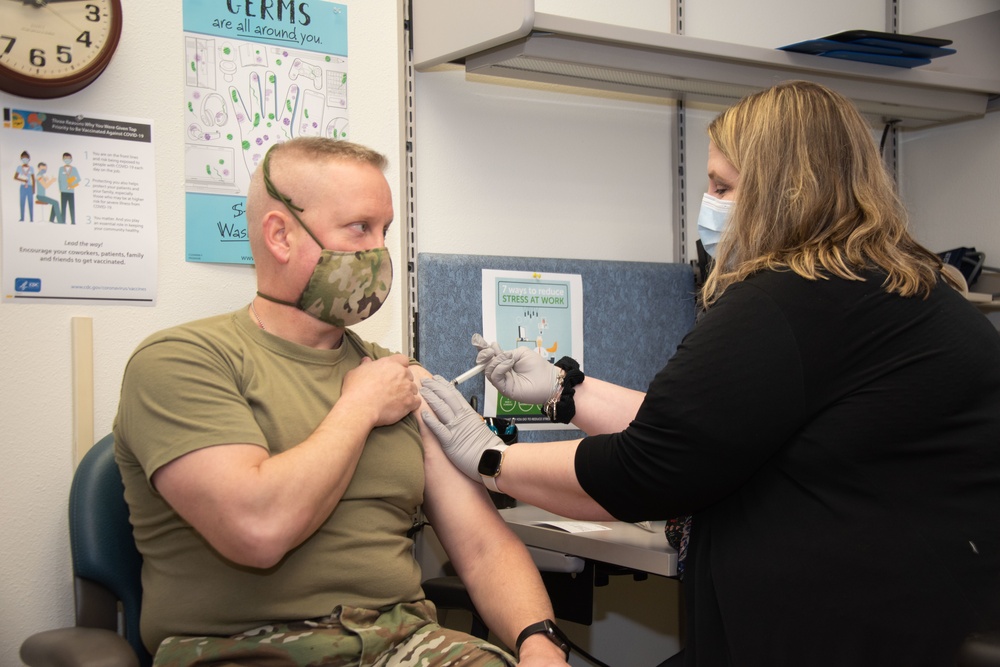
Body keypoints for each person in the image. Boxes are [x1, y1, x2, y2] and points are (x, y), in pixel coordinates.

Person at [420, 80, 1000, 666]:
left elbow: (646, 470)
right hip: (927, 610)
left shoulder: (790, 300)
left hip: (851, 630)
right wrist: (569, 393)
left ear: (784, 190)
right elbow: (707, 427)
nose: (710, 203)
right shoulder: (895, 286)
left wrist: (490, 459)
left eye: (723, 186)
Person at [114, 137, 570, 667]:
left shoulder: (403, 380)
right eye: (360, 228)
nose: (379, 253)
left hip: (405, 644)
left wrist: (540, 644)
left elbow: (483, 547)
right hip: (243, 650)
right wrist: (359, 406)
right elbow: (257, 531)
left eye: (385, 231)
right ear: (281, 235)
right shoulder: (181, 361)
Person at [58, 152, 80, 225]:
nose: (67, 160)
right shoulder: (61, 169)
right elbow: (59, 180)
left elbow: (78, 179)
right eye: (65, 158)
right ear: (63, 159)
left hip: (71, 191)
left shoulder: (74, 169)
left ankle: (73, 221)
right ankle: (63, 221)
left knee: (72, 207)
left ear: (71, 159)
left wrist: (71, 184)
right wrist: (60, 188)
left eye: (68, 158)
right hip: (63, 191)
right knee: (63, 207)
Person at [15, 150, 34, 221]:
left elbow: (33, 179)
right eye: (23, 158)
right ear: (21, 159)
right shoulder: (19, 167)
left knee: (30, 203)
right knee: (22, 202)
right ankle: (22, 218)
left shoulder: (31, 168)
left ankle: (31, 218)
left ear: (29, 159)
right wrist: (23, 180)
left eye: (26, 158)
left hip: (29, 187)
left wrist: (33, 189)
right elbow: (15, 177)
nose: (25, 159)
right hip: (22, 187)